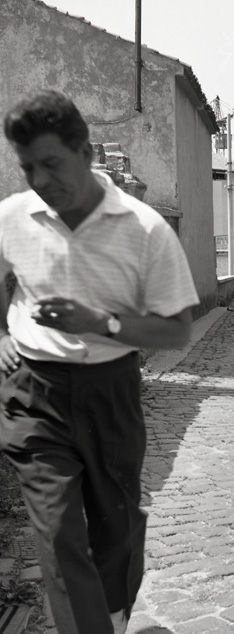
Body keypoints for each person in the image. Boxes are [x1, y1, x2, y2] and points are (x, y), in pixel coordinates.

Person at [0, 91, 200, 634]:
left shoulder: (145, 229)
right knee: (57, 530)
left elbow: (177, 329)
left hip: (109, 390)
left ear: (86, 153)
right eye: (28, 167)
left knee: (117, 526)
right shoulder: (13, 217)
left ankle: (111, 613)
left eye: (52, 164)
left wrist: (101, 323)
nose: (40, 180)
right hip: (33, 391)